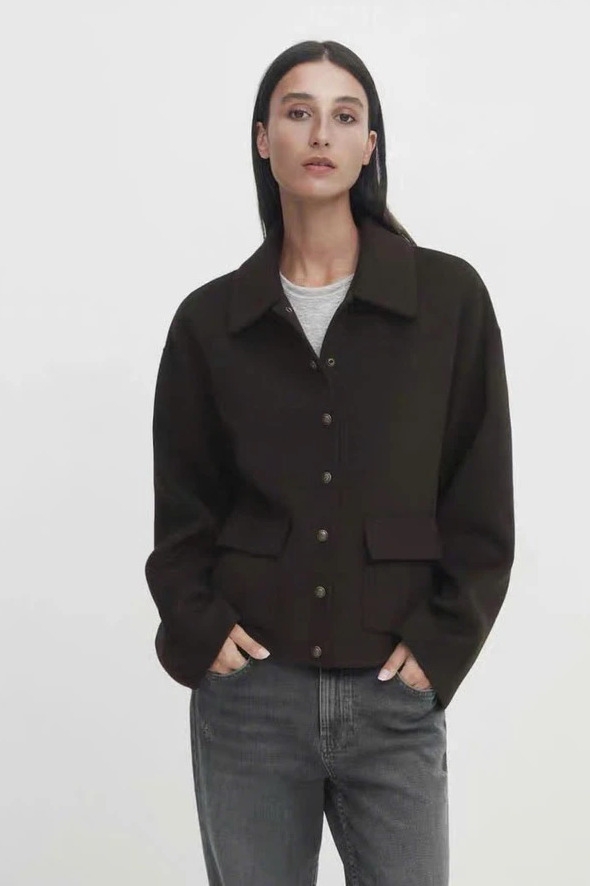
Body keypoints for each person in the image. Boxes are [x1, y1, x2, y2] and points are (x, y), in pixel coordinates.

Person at [144, 39, 515, 886]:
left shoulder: (448, 301)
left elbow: (480, 500)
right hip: (250, 700)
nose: (321, 133)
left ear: (369, 145)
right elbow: (182, 514)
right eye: (298, 112)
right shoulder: (209, 323)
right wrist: (201, 630)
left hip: (394, 694)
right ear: (262, 138)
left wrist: (440, 646)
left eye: (345, 116)